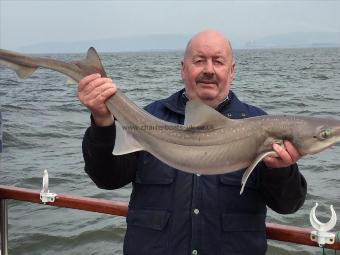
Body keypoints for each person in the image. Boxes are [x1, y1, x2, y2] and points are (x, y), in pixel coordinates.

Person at [77, 30, 307, 255]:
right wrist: (102, 120)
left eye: (218, 61)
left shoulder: (261, 126)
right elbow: (107, 179)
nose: (209, 70)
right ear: (183, 69)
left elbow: (288, 206)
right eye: (199, 61)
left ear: (232, 70)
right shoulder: (149, 119)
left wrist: (281, 170)